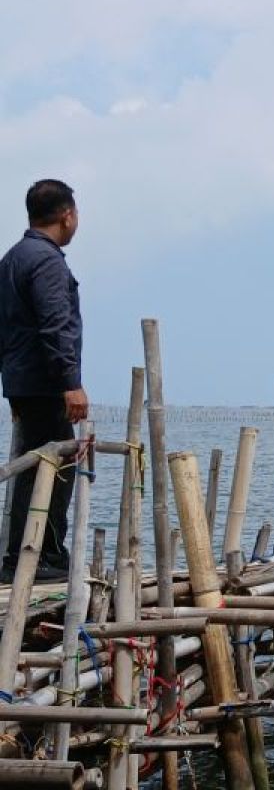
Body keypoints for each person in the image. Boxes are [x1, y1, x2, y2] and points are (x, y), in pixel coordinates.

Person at [0, 180, 88, 583]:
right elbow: (55, 327)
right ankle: (43, 556)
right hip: (45, 382)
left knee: (35, 469)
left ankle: (23, 555)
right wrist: (71, 382)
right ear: (67, 215)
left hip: (23, 381)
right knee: (57, 466)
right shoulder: (47, 261)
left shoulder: (14, 257)